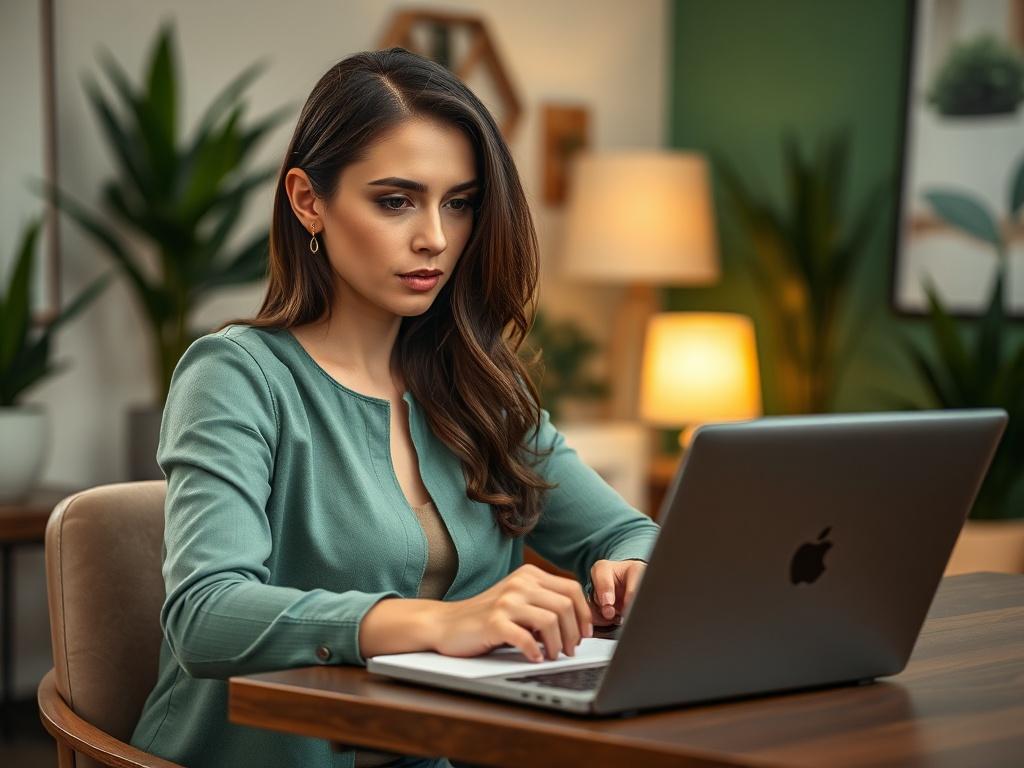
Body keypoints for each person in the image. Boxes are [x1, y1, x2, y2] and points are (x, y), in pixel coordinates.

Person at [129, 47, 660, 768]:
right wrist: (439, 624)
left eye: (459, 203)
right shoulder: (236, 375)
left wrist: (627, 568)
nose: (435, 238)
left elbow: (631, 533)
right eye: (395, 200)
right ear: (307, 199)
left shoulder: (478, 387)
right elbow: (206, 614)